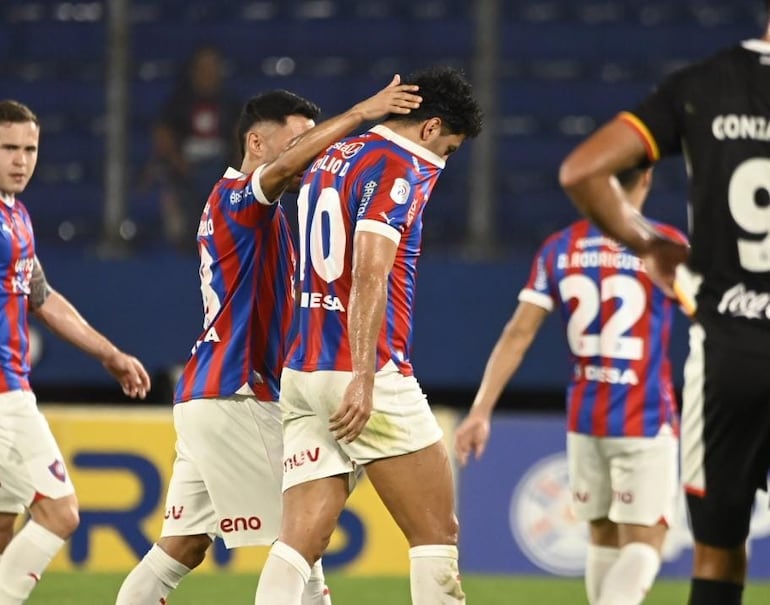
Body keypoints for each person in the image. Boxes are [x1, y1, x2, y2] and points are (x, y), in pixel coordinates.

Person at [115, 77, 424, 605]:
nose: (312, 155)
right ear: (256, 143)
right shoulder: (239, 199)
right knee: (304, 540)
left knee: (181, 548)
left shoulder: (262, 212)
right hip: (239, 393)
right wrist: (362, 112)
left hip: (207, 394)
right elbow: (280, 171)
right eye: (299, 141)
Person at [559, 8, 770, 604]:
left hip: (729, 348)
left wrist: (647, 244)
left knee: (718, 553)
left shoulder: (704, 85)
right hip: (638, 412)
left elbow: (582, 170)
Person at [253, 66, 482, 605]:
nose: (443, 163)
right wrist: (363, 376)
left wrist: (358, 109)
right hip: (365, 370)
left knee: (300, 540)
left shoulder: (334, 152)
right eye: (448, 149)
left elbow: (283, 166)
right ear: (429, 129)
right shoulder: (402, 166)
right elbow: (371, 270)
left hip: (302, 369)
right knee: (436, 533)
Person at [455, 166, 685, 605]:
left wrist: (481, 409)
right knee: (645, 541)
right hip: (646, 415)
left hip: (585, 417)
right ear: (648, 179)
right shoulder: (667, 246)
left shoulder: (561, 248)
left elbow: (518, 333)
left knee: (602, 534)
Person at [0, 99, 151, 604]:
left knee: (3, 528)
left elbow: (41, 296)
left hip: (13, 388)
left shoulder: (16, 217)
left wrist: (108, 353)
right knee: (60, 512)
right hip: (5, 396)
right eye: (7, 148)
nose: (20, 160)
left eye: (29, 149)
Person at [146, 45, 242, 254]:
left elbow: (241, 136)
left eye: (213, 67)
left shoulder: (231, 104)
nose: (208, 73)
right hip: (184, 173)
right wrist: (177, 160)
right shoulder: (178, 103)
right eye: (203, 68)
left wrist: (236, 169)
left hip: (221, 173)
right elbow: (162, 134)